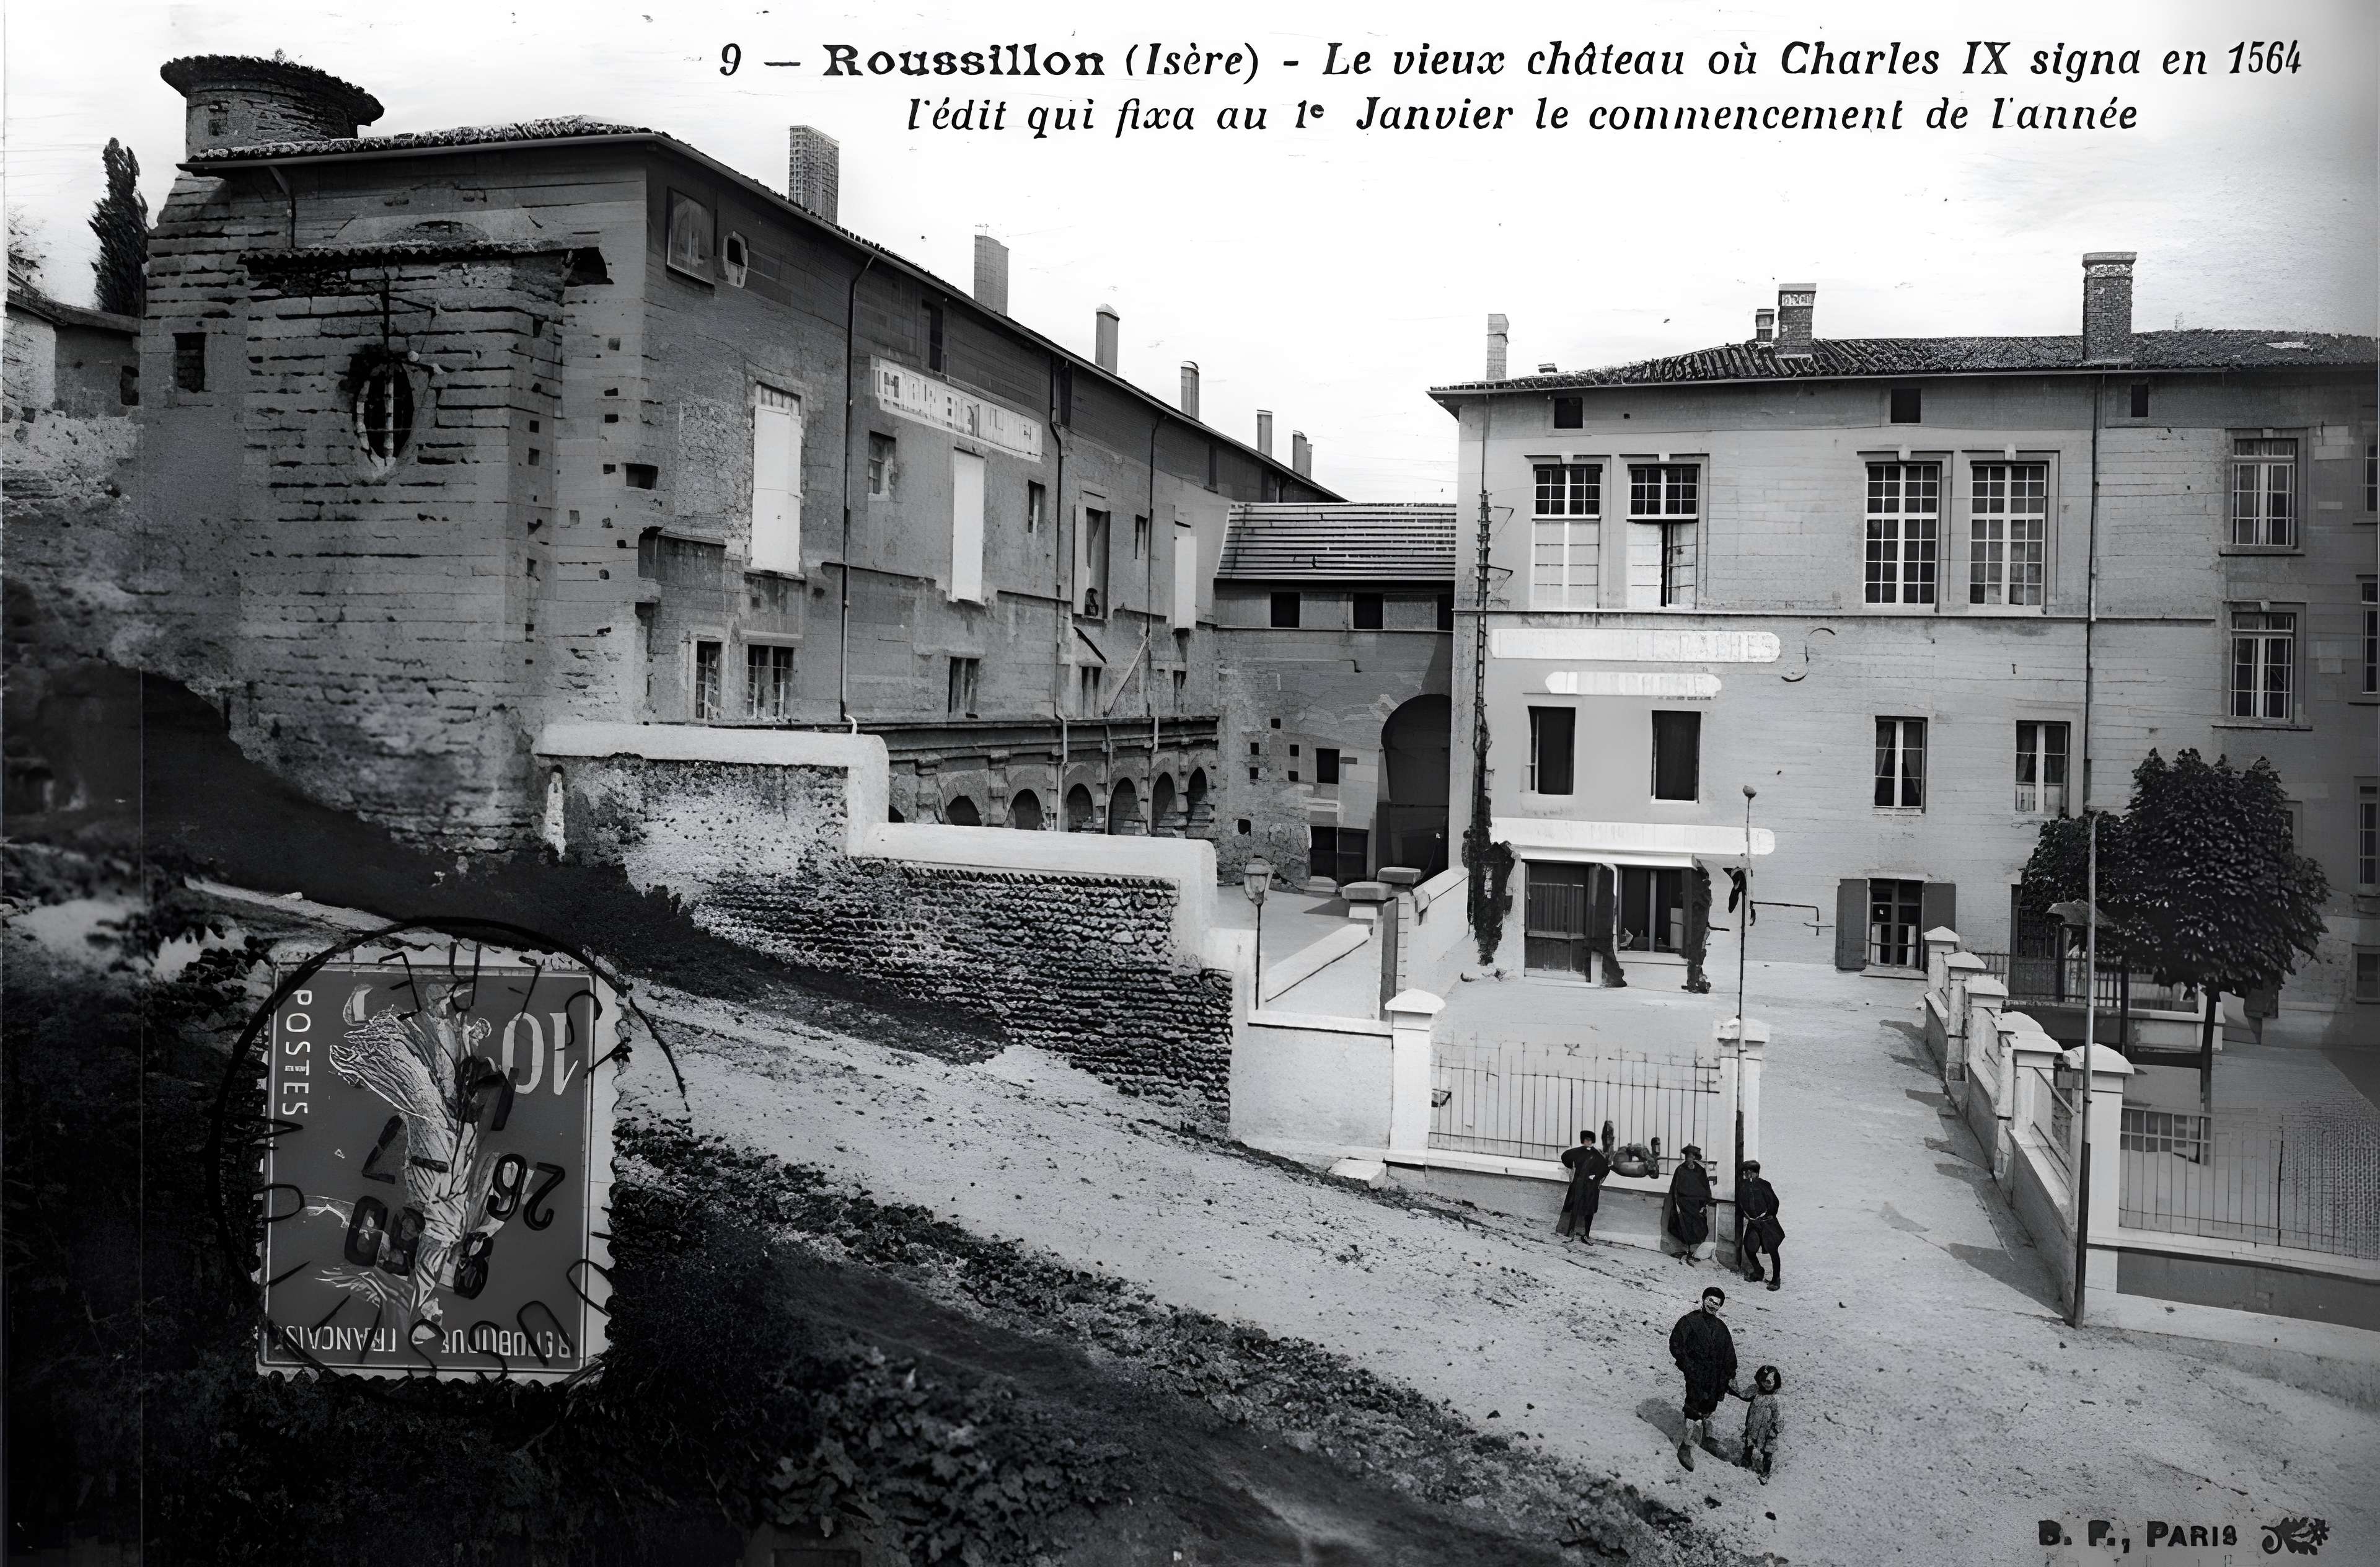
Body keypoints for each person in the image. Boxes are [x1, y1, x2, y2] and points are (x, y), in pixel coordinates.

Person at [1667, 1286, 1737, 1470]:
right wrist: (1688, 1365)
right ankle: (1685, 1446)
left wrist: (1730, 1372)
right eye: (1711, 1301)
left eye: (1717, 1304)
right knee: (1694, 1407)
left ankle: (1700, 1436)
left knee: (1708, 1406)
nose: (1713, 1305)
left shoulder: (1721, 1328)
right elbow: (1676, 1344)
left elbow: (1729, 1353)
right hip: (1696, 1374)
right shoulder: (1689, 1321)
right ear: (1704, 1299)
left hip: (1714, 1377)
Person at [1729, 1365, 1784, 1482]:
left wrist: (1775, 1430)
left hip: (1767, 1431)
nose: (1766, 1385)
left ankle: (1766, 1471)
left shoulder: (1775, 1399)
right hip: (1753, 1425)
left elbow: (1779, 1417)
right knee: (1749, 1443)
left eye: (1769, 1382)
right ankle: (1746, 1461)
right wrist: (1732, 1386)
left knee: (1767, 1451)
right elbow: (1743, 1395)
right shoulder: (1755, 1391)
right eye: (1763, 1381)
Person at [1737, 1159, 1784, 1290]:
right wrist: (1747, 1215)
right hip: (1753, 1223)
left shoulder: (1764, 1184)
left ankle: (1776, 1279)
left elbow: (1774, 1202)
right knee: (1749, 1248)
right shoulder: (1743, 1185)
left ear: (1754, 1172)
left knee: (1773, 1250)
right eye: (1745, 1172)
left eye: (1748, 1172)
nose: (1746, 1174)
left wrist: (1768, 1214)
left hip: (1767, 1223)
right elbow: (1741, 1203)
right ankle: (1758, 1271)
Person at [1662, 1144, 1713, 1264]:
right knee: (1683, 1228)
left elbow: (1706, 1189)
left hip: (1697, 1206)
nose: (1689, 1159)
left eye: (1691, 1156)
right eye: (1687, 1156)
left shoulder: (1700, 1171)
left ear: (1695, 1157)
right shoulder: (1680, 1170)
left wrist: (1704, 1205)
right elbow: (1674, 1189)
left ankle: (1693, 1253)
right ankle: (1685, 1251)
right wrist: (1676, 1206)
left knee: (1698, 1228)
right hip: (1683, 1205)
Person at [1556, 1129, 1610, 1241]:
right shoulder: (1577, 1152)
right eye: (1585, 1140)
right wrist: (1572, 1167)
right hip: (1578, 1184)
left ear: (1592, 1141)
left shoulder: (1597, 1155)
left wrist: (1595, 1177)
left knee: (1588, 1209)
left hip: (1590, 1187)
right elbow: (1565, 1157)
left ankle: (1585, 1234)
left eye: (1589, 1140)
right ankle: (1569, 1231)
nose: (1587, 1142)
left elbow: (1605, 1169)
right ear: (1583, 1141)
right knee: (1574, 1207)